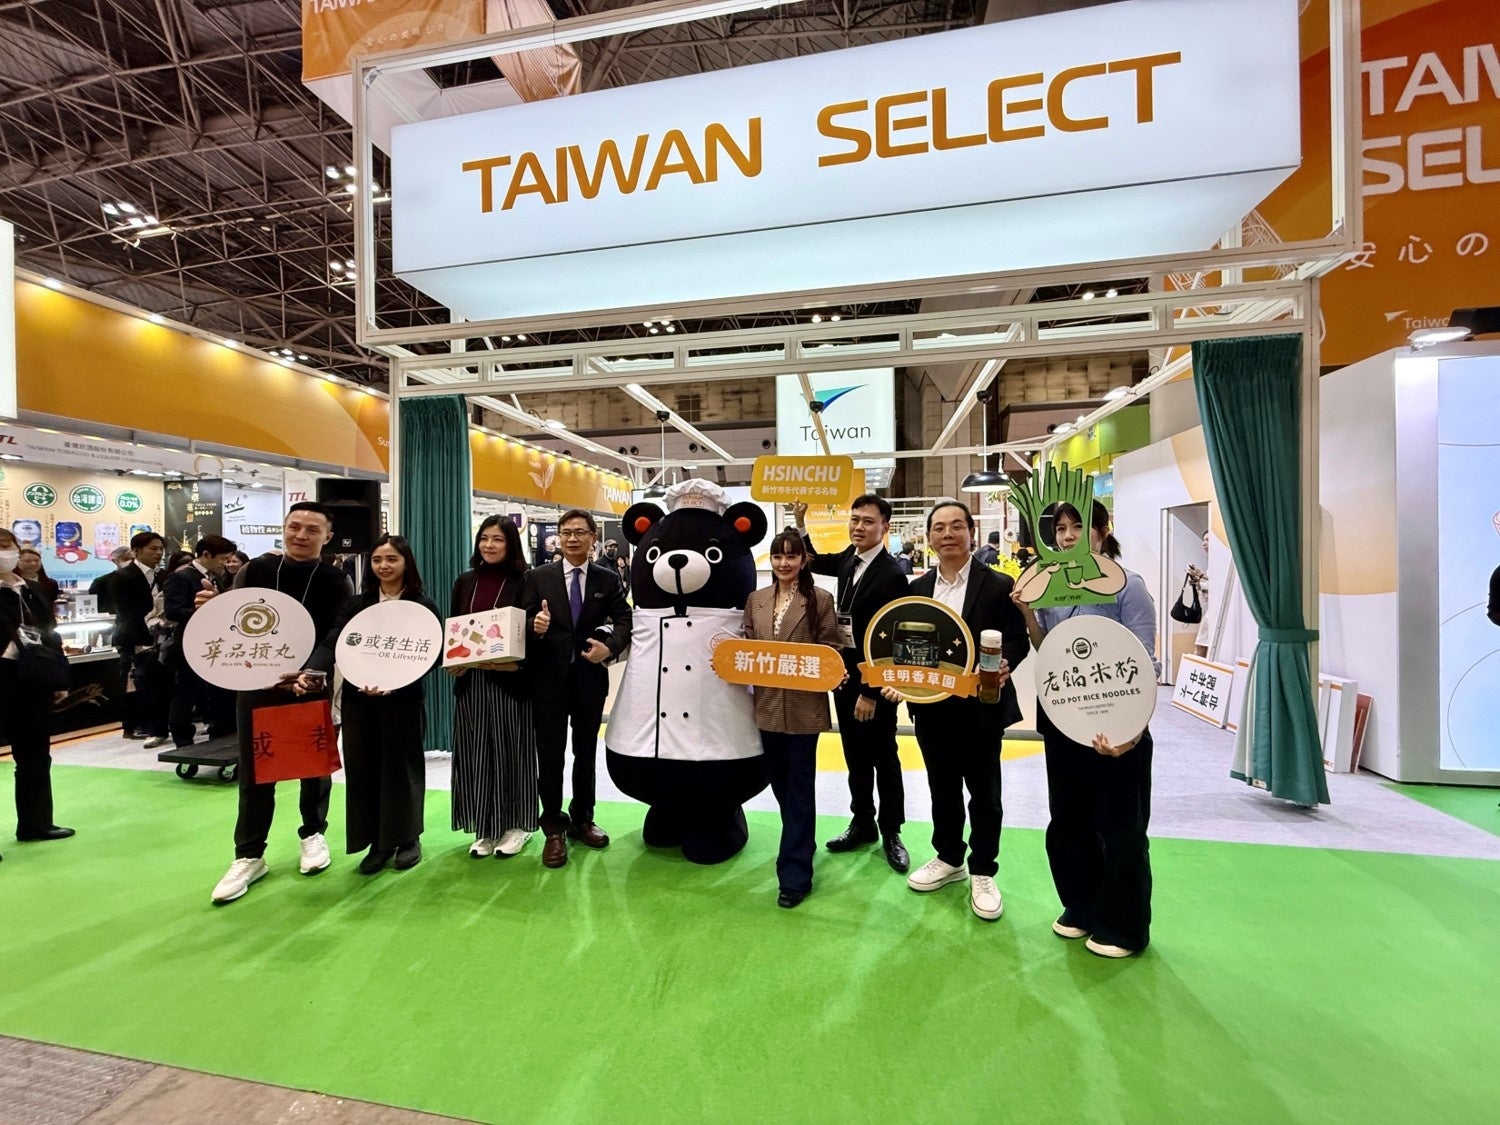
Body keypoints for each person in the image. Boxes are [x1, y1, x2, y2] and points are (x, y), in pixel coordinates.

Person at [1013, 500, 1158, 959]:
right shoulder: (1053, 587)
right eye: (1061, 529)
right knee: (1069, 820)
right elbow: (1048, 650)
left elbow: (1145, 664)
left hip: (1117, 729)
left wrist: (1132, 734)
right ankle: (1081, 906)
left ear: (1102, 530)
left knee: (1120, 828)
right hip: (1066, 723)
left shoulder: (1128, 586)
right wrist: (1027, 613)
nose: (1069, 536)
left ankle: (1125, 927)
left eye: (1079, 526)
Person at [888, 500, 1028, 922]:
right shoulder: (917, 589)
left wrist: (1006, 663)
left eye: (956, 526)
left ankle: (983, 870)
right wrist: (899, 681)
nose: (947, 534)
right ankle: (949, 858)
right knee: (942, 787)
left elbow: (1016, 639)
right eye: (939, 528)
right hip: (932, 709)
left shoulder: (999, 584)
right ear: (929, 537)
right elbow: (905, 649)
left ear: (970, 532)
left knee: (985, 793)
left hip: (981, 706)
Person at [210, 503, 354, 904]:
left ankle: (313, 834)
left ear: (327, 537)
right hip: (256, 682)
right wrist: (209, 610)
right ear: (284, 528)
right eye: (294, 526)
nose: (301, 535)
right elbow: (233, 621)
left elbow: (337, 631)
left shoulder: (335, 579)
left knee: (314, 766)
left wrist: (313, 671)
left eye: (312, 529)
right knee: (256, 769)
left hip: (310, 683)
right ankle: (249, 854)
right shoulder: (255, 570)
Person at [304, 535, 438, 874]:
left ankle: (408, 838)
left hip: (403, 700)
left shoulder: (422, 605)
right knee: (364, 769)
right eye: (377, 559)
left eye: (392, 559)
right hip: (359, 699)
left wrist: (396, 681)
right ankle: (377, 843)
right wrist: (312, 669)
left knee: (402, 768)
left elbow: (434, 654)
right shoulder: (357, 605)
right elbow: (334, 640)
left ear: (406, 562)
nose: (384, 566)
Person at [792, 496, 911, 872]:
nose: (859, 527)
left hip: (875, 683)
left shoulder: (892, 575)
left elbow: (895, 638)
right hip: (844, 676)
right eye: (855, 519)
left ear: (884, 527)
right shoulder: (849, 558)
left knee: (883, 755)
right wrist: (800, 524)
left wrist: (870, 692)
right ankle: (862, 823)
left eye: (868, 521)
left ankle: (891, 831)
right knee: (855, 755)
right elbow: (813, 559)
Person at [522, 508, 631, 869]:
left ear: (592, 538)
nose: (572, 538)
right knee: (550, 755)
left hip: (589, 678)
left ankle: (583, 818)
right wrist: (535, 626)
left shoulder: (606, 578)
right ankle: (553, 827)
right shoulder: (538, 577)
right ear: (559, 536)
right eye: (566, 532)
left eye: (580, 532)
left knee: (585, 753)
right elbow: (521, 620)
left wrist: (609, 648)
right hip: (547, 680)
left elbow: (624, 618)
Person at [742, 531, 844, 908]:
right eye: (777, 556)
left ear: (803, 560)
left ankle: (795, 874)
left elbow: (831, 646)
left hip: (804, 707)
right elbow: (747, 648)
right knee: (779, 782)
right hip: (767, 706)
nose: (784, 563)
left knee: (800, 787)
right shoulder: (756, 599)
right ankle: (802, 838)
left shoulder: (820, 599)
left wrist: (828, 668)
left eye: (791, 556)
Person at [449, 516, 538, 860]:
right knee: (476, 753)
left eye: (497, 539)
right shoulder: (465, 581)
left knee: (512, 752)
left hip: (511, 682)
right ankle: (485, 826)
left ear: (511, 543)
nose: (489, 545)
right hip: (472, 682)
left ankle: (517, 825)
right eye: (484, 538)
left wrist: (516, 665)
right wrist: (453, 661)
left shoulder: (525, 581)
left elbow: (533, 634)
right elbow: (455, 628)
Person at [1, 527, 75, 856]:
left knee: (34, 755)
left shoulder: (30, 590)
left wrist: (58, 678)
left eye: (6, 545)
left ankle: (36, 823)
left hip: (32, 678)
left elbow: (50, 633)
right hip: (2, 673)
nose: (4, 552)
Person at [163, 535, 239, 749]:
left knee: (215, 692)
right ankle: (183, 741)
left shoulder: (216, 576)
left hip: (214, 643)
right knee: (186, 692)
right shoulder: (181, 577)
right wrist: (204, 610)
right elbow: (172, 611)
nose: (226, 564)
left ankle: (220, 735)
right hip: (189, 644)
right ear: (206, 554)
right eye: (223, 559)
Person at [112, 532, 165, 742]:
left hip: (160, 636)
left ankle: (157, 726)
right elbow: (125, 611)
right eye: (153, 549)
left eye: (160, 549)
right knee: (137, 682)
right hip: (134, 637)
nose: (158, 553)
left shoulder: (163, 575)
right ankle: (135, 725)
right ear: (137, 551)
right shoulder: (122, 576)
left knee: (157, 683)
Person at [88, 546, 134, 613]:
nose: (131, 562)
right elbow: (93, 608)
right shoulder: (100, 582)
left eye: (134, 560)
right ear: (115, 561)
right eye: (127, 559)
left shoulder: (142, 580)